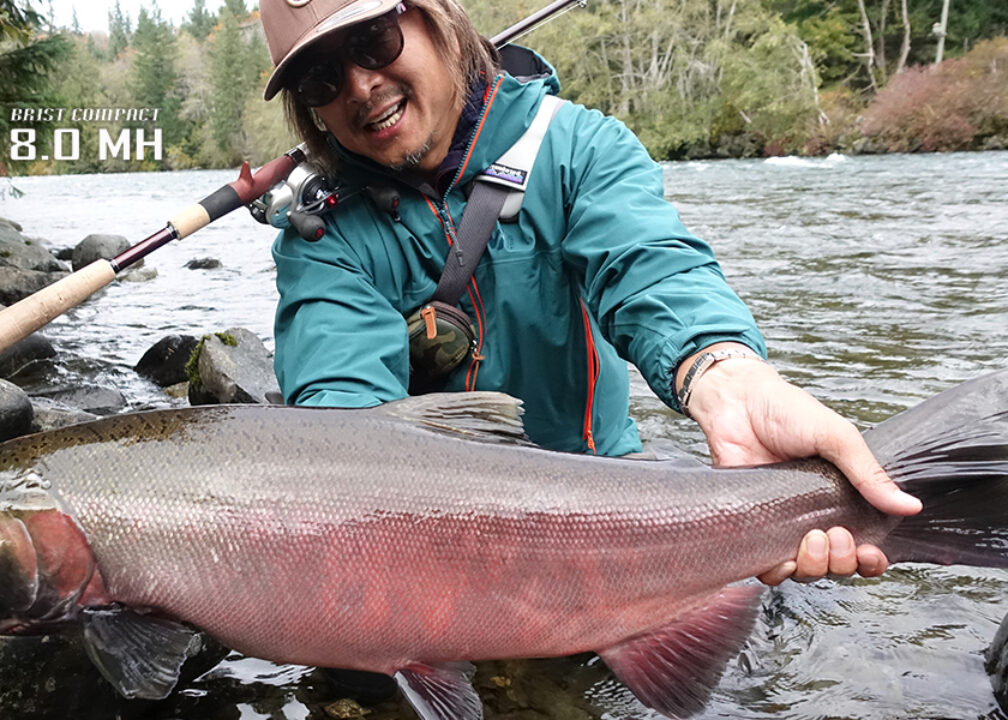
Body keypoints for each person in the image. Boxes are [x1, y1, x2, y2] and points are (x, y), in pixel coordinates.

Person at [256, 0, 921, 587]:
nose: (360, 86)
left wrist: (726, 378)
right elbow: (340, 422)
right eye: (321, 77)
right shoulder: (322, 237)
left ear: (436, 20)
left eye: (374, 41)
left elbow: (652, 269)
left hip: (616, 514)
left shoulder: (576, 148)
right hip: (428, 540)